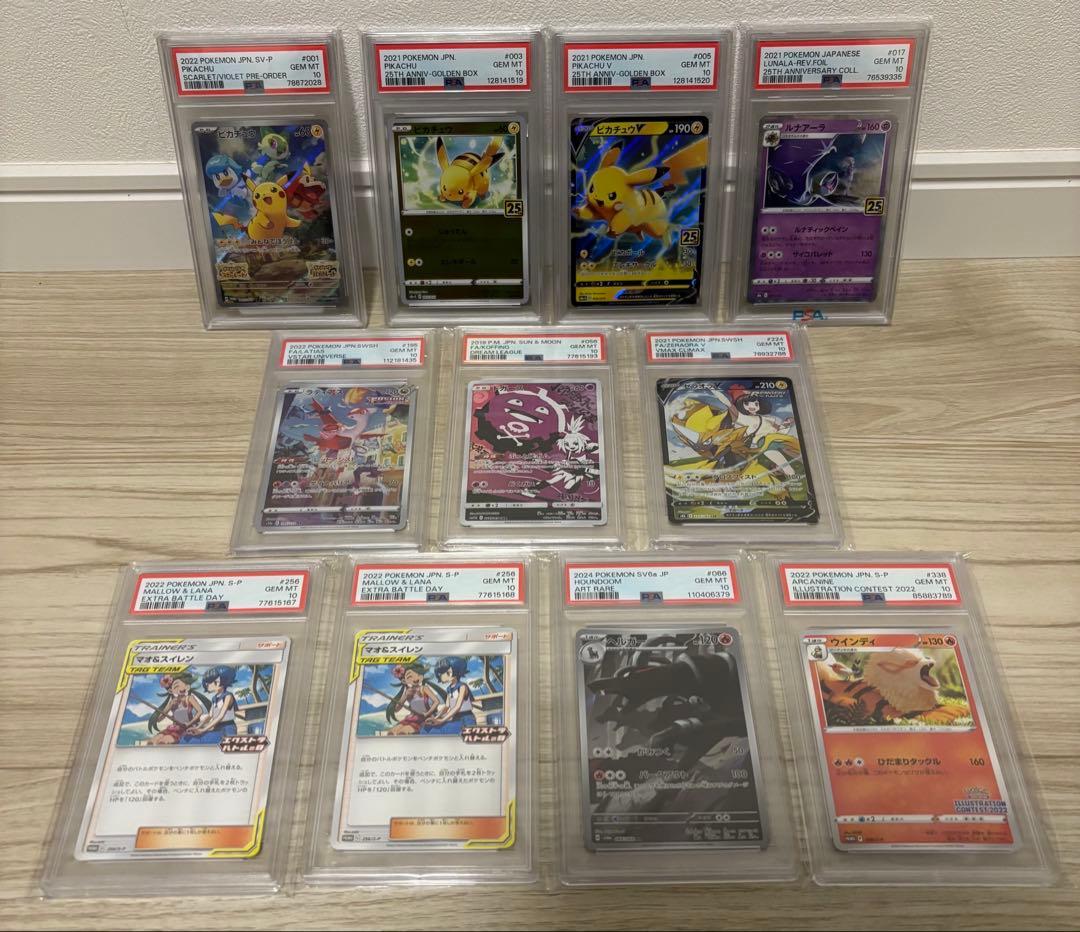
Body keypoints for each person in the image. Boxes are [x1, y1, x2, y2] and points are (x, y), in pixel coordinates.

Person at [182, 666, 238, 744]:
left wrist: (203, 730)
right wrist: (197, 727)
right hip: (217, 728)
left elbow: (220, 716)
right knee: (187, 738)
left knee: (197, 740)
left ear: (218, 682)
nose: (207, 685)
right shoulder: (214, 698)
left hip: (227, 730)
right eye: (207, 682)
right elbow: (210, 716)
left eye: (209, 682)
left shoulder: (228, 696)